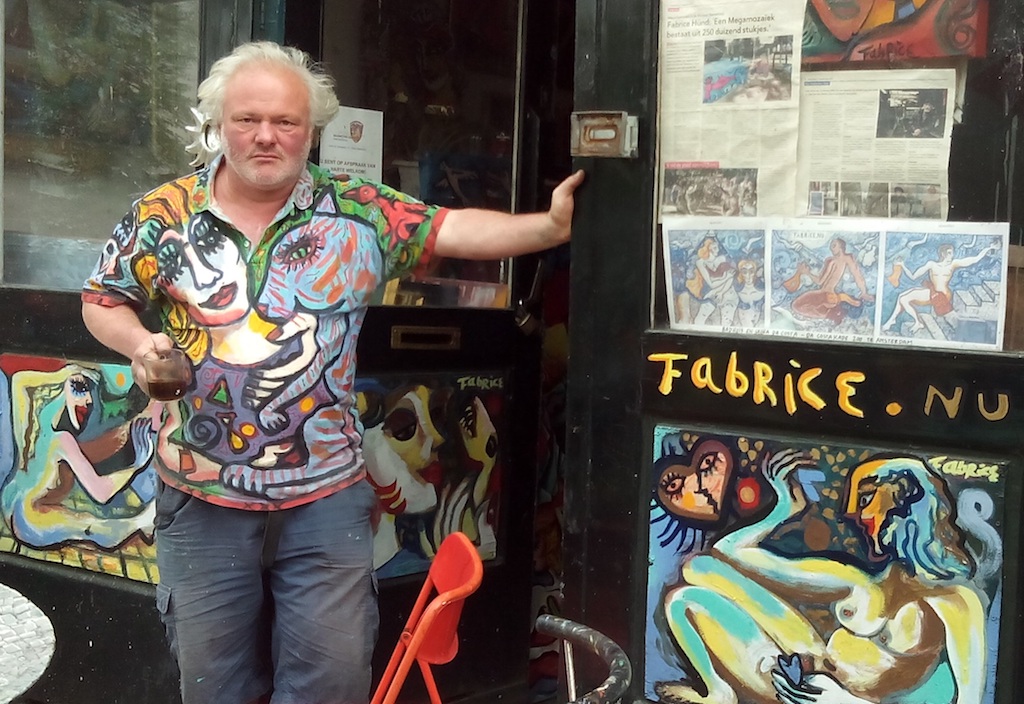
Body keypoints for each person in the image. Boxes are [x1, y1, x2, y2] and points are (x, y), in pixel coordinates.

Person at [80, 40, 585, 704]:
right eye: (246, 119)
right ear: (218, 123)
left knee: (331, 685)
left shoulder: (359, 213)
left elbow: (454, 230)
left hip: (324, 499)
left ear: (310, 130)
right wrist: (139, 343)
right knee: (213, 688)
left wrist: (547, 227)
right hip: (201, 501)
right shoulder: (162, 216)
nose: (266, 135)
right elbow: (101, 299)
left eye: (285, 122)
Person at [656, 450, 988, 704]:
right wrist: (784, 509)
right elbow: (730, 552)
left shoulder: (956, 602)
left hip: (833, 699)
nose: (853, 513)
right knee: (697, 575)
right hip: (796, 675)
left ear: (906, 501)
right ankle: (719, 692)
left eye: (867, 497)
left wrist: (843, 701)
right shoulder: (860, 582)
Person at [882, 241, 999, 334]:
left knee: (903, 298)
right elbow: (913, 277)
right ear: (943, 254)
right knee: (902, 297)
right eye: (950, 253)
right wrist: (903, 266)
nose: (952, 255)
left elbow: (975, 259)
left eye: (952, 252)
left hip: (942, 295)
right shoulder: (931, 264)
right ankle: (899, 321)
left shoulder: (954, 264)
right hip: (932, 292)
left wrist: (988, 248)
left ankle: (911, 321)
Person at [785, 237, 873, 325]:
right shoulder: (839, 259)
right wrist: (864, 292)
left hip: (828, 295)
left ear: (841, 247)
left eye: (834, 245)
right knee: (799, 305)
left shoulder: (839, 260)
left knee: (796, 306)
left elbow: (857, 275)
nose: (831, 248)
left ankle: (829, 314)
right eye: (831, 246)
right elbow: (820, 281)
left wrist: (864, 292)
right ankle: (828, 312)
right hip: (826, 294)